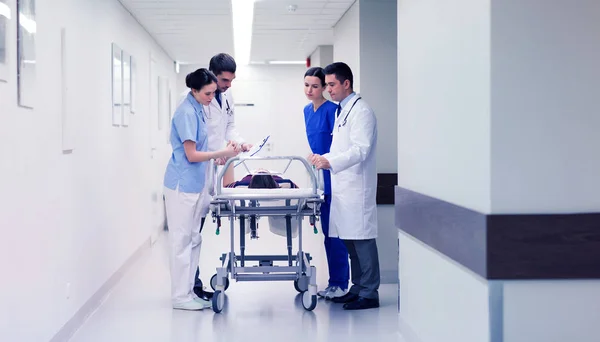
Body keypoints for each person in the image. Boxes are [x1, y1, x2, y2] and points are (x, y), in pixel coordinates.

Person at [163, 68, 239, 311]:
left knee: (194, 238)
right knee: (181, 241)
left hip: (197, 184)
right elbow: (191, 154)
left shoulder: (198, 108)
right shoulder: (186, 112)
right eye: (208, 93)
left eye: (213, 92)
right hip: (182, 185)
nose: (211, 98)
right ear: (194, 90)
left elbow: (204, 147)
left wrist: (216, 158)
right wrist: (222, 154)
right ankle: (179, 297)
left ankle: (189, 293)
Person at [308, 62, 380, 310]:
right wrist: (324, 160)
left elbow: (360, 150)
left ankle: (370, 293)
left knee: (362, 240)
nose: (328, 90)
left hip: (356, 187)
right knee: (349, 241)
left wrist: (330, 160)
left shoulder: (362, 112)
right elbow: (340, 148)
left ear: (346, 83)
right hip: (342, 187)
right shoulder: (342, 111)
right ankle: (357, 287)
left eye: (331, 84)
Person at [193, 53, 252, 300]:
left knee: (197, 232)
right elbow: (193, 139)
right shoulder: (195, 101)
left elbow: (229, 127)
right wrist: (215, 153)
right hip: (197, 170)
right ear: (212, 75)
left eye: (231, 80)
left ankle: (192, 286)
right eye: (224, 80)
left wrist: (239, 142)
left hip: (215, 167)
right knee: (191, 233)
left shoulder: (227, 96)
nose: (228, 85)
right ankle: (191, 287)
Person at [302, 67, 350, 299]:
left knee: (335, 232)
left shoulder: (333, 110)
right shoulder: (306, 111)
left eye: (315, 86)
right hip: (319, 175)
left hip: (334, 174)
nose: (310, 90)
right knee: (326, 231)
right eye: (306, 85)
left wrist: (326, 161)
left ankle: (340, 283)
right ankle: (334, 283)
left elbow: (339, 147)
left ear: (323, 88)